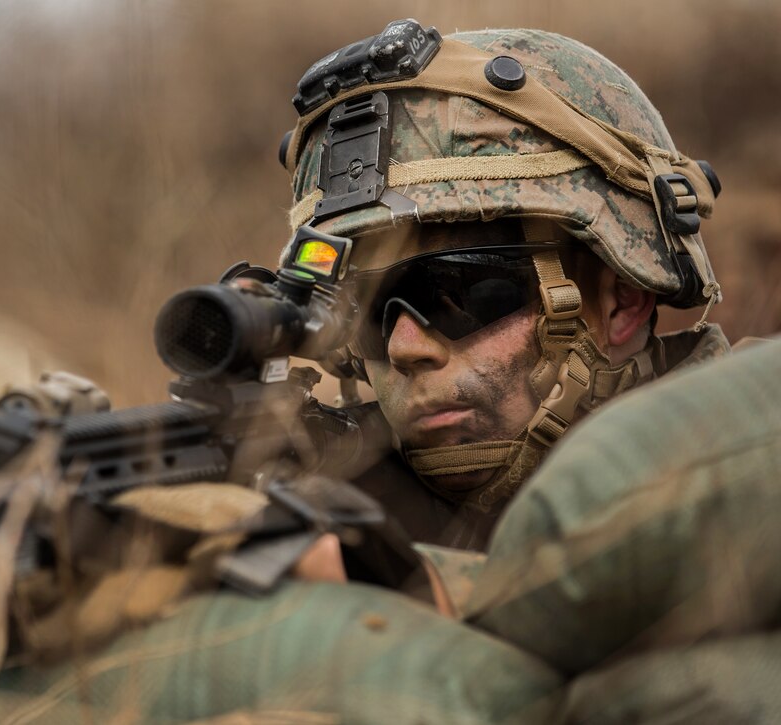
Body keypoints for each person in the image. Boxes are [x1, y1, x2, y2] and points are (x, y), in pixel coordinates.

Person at [278, 20, 730, 552]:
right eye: (363, 307)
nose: (404, 348)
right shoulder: (334, 499)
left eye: (461, 292)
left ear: (622, 300)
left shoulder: (748, 473)